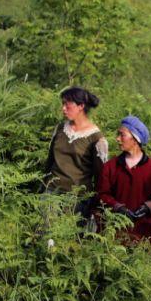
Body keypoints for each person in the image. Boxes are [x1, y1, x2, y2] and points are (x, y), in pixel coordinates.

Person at [96, 116, 151, 245]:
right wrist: (118, 208)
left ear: (135, 139)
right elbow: (102, 194)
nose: (117, 139)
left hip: (142, 233)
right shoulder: (110, 167)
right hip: (113, 232)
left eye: (122, 135)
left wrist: (147, 208)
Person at [44, 86, 108, 219]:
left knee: (69, 238)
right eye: (63, 104)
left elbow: (101, 175)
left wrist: (96, 204)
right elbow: (50, 161)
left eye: (67, 105)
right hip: (51, 193)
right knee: (46, 236)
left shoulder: (96, 138)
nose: (63, 108)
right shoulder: (60, 129)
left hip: (77, 199)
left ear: (81, 106)